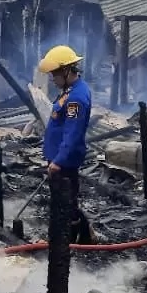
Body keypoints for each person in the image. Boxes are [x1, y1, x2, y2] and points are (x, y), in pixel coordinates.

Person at [38, 44, 93, 242]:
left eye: (55, 74)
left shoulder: (76, 98)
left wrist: (58, 161)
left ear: (67, 70)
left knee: (66, 203)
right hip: (60, 157)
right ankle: (77, 237)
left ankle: (67, 243)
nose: (52, 79)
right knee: (64, 201)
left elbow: (73, 133)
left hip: (65, 161)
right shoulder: (70, 90)